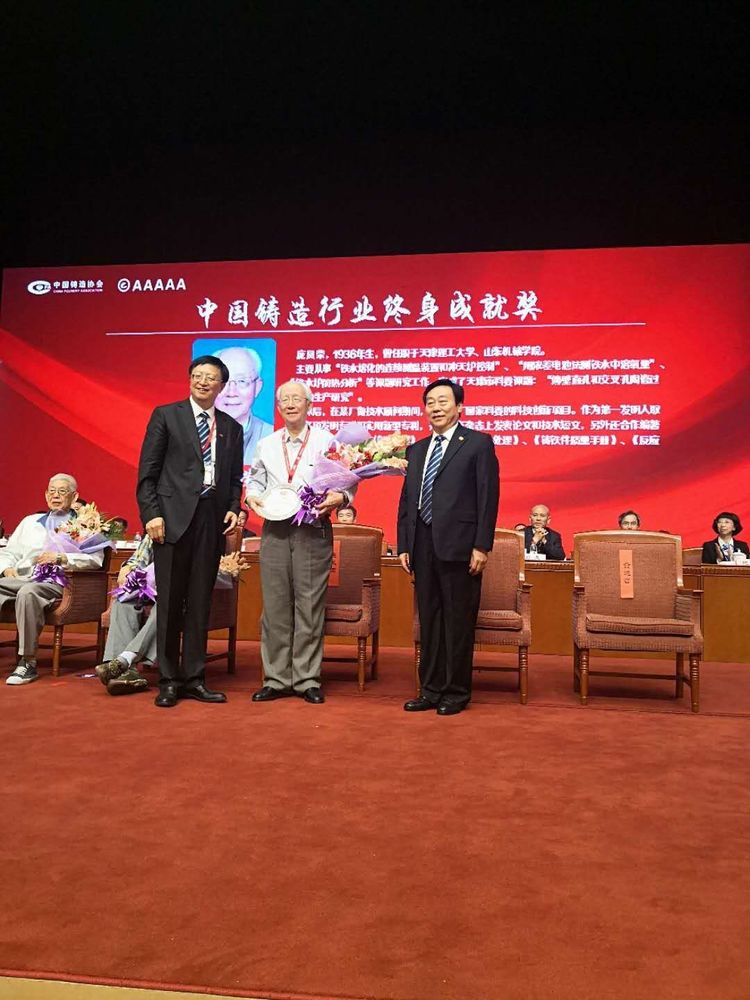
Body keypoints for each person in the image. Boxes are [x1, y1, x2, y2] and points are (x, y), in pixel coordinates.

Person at [136, 355, 243, 708]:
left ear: (221, 386)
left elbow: (234, 478)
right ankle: (169, 680)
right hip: (170, 521)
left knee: (200, 601)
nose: (203, 382)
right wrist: (152, 515)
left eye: (210, 377)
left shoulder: (231, 427)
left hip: (211, 520)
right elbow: (148, 473)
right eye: (197, 375)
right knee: (170, 602)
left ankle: (195, 678)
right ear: (189, 379)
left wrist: (234, 506)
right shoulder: (166, 415)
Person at [397, 378, 499, 715]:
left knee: (457, 621)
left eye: (443, 401)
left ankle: (456, 692)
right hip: (422, 544)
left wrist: (481, 545)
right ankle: (430, 689)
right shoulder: (416, 450)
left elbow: (487, 497)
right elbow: (408, 500)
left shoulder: (478, 443)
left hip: (460, 546)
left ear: (459, 407)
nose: (436, 407)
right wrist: (404, 543)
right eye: (430, 402)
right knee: (429, 620)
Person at [245, 380, 351, 704]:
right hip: (275, 528)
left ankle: (306, 679)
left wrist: (341, 497)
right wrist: (251, 497)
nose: (290, 404)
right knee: (275, 606)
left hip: (312, 529)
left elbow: (346, 479)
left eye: (297, 399)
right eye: (285, 400)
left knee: (309, 606)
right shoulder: (267, 443)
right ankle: (276, 679)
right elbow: (256, 479)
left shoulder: (326, 440)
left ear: (309, 405)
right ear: (278, 407)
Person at [96, 539, 245, 695]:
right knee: (123, 603)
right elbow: (139, 558)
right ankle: (125, 671)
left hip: (182, 594)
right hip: (150, 587)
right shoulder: (157, 529)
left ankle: (123, 661)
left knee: (167, 606)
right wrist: (128, 567)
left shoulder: (206, 533)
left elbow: (218, 569)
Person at [1, 474, 104, 686]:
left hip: (58, 582)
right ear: (46, 494)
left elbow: (95, 560)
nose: (56, 496)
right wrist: (6, 568)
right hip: (22, 577)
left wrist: (62, 558)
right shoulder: (29, 522)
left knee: (28, 592)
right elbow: (9, 552)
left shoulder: (86, 524)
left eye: (62, 491)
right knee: (24, 587)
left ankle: (27, 661)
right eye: (52, 491)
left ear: (74, 496)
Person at [214, 346, 273, 466]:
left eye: (242, 381)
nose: (231, 392)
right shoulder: (194, 434)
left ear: (257, 387)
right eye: (223, 381)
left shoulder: (272, 436)